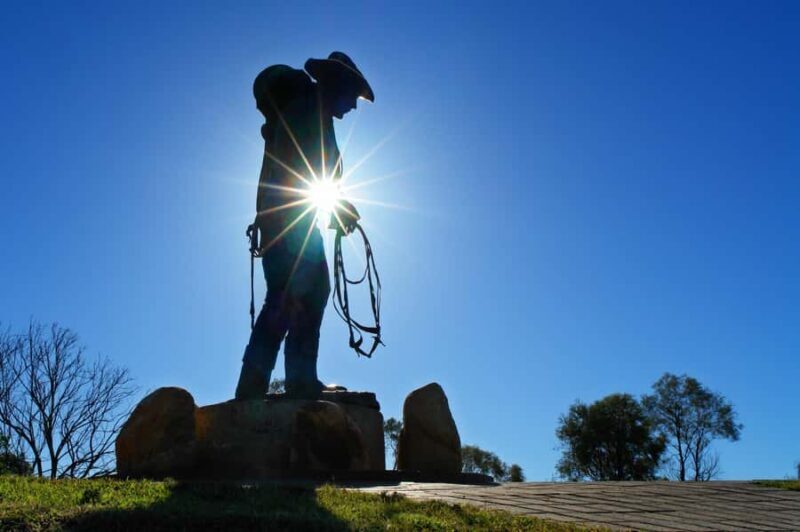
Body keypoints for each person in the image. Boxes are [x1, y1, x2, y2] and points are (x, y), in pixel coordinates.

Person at [235, 52, 374, 399]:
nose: (354, 107)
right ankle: (267, 386)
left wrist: (336, 207)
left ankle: (294, 380)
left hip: (295, 221)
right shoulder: (305, 111)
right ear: (336, 84)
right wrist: (337, 206)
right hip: (287, 222)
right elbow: (297, 169)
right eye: (352, 96)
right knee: (286, 299)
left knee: (309, 293)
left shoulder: (315, 115)